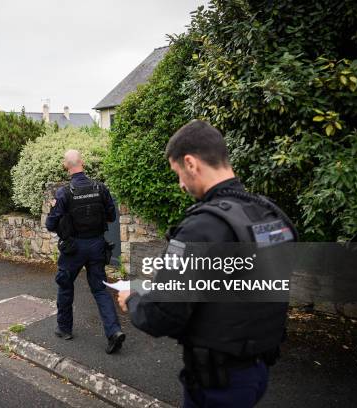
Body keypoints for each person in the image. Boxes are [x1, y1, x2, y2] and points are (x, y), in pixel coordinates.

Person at [117, 120, 297, 407]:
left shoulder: (203, 228)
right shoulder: (268, 214)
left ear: (191, 163)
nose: (180, 184)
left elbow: (163, 313)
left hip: (217, 383)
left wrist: (135, 299)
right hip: (257, 371)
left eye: (178, 174)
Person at [46, 150, 125, 354]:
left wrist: (63, 223)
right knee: (99, 289)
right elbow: (111, 217)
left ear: (66, 165)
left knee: (65, 285)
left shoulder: (64, 193)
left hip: (73, 248)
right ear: (82, 163)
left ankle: (64, 329)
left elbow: (50, 224)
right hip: (97, 245)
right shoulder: (100, 188)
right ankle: (114, 331)